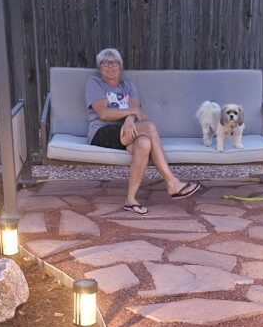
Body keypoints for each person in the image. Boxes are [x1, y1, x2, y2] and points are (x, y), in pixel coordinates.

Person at [85, 48, 200, 215]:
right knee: (150, 127)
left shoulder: (129, 87)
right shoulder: (94, 84)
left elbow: (138, 113)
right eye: (105, 63)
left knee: (145, 143)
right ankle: (172, 182)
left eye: (114, 62)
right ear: (99, 67)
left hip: (127, 133)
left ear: (120, 66)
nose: (110, 66)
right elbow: (104, 113)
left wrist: (130, 119)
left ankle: (130, 200)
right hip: (101, 132)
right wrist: (132, 113)